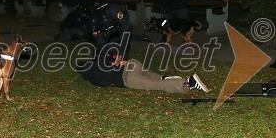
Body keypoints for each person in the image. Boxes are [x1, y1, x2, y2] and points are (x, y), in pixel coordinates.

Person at [79, 52, 209, 94]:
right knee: (149, 74)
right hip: (133, 64)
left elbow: (105, 82)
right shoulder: (100, 60)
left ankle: (187, 82)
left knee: (155, 85)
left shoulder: (94, 77)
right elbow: (116, 57)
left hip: (128, 78)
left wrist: (114, 66)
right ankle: (166, 77)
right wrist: (118, 63)